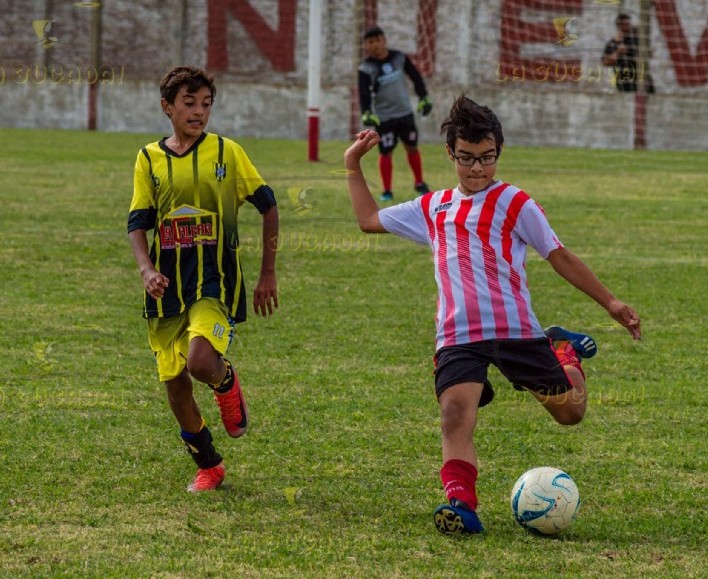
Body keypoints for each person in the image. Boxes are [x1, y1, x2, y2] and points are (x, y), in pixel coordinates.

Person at [343, 95, 641, 535]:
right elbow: (368, 219)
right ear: (450, 154)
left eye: (486, 158)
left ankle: (562, 349)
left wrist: (611, 303)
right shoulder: (433, 207)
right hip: (458, 335)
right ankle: (461, 504)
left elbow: (558, 255)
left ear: (498, 153)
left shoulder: (516, 203)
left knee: (570, 412)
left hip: (515, 330)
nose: (477, 168)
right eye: (466, 158)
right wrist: (353, 166)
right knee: (455, 412)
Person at [128, 66, 279, 492]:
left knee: (199, 363)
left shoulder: (227, 153)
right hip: (167, 288)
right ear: (167, 107)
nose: (199, 112)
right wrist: (147, 270)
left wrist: (267, 274)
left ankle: (225, 381)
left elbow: (268, 206)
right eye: (189, 103)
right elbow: (138, 222)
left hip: (215, 283)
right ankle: (209, 465)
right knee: (175, 388)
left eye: (206, 104)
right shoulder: (148, 159)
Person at [358, 25, 432, 202]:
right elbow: (364, 92)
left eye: (377, 40)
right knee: (385, 152)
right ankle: (387, 190)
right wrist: (366, 112)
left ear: (384, 40)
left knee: (412, 147)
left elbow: (415, 76)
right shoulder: (365, 68)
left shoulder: (399, 57)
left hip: (405, 113)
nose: (375, 45)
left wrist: (424, 97)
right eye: (370, 42)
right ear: (366, 46)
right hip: (384, 117)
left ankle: (420, 183)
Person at [602, 13, 655, 93]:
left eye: (629, 23)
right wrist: (618, 52)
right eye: (626, 24)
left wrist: (643, 53)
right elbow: (605, 63)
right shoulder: (612, 43)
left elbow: (650, 54)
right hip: (625, 81)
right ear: (619, 26)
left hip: (642, 79)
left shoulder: (636, 39)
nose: (629, 25)